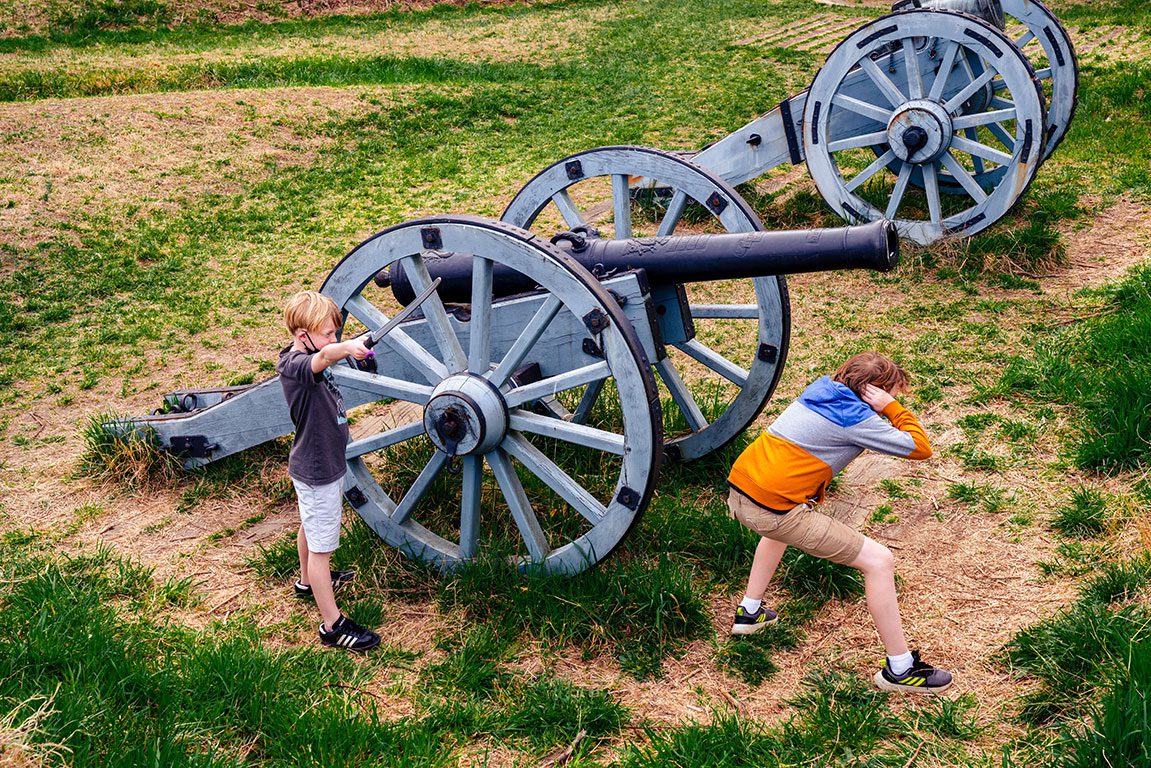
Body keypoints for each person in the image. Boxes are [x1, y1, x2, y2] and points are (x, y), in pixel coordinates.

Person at [726, 351, 952, 693]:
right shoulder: (857, 417)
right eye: (890, 392)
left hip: (741, 492)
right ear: (873, 392)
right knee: (879, 561)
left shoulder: (818, 392)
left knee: (781, 525)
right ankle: (900, 670)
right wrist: (891, 408)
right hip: (772, 510)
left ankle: (750, 613)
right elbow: (920, 447)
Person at [278, 290, 380, 652]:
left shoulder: (309, 353)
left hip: (320, 464)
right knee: (323, 549)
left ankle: (306, 582)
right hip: (318, 469)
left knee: (310, 525)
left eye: (336, 332)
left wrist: (348, 347)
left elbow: (324, 352)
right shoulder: (294, 366)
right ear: (301, 334)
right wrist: (346, 348)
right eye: (327, 333)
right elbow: (323, 357)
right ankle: (332, 625)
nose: (333, 339)